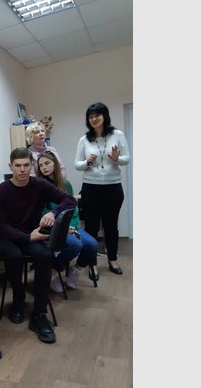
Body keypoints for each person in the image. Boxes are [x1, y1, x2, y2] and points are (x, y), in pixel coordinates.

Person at [0, 147, 77, 344]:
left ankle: (39, 314)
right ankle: (18, 300)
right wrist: (27, 237)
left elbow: (69, 200)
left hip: (32, 234)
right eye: (18, 166)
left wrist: (53, 213)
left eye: (26, 165)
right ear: (10, 166)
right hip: (8, 237)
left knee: (45, 256)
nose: (22, 170)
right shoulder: (0, 191)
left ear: (31, 165)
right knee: (13, 257)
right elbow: (0, 226)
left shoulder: (39, 184)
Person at [74, 102, 130, 280]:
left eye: (97, 115)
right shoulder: (84, 140)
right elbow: (77, 165)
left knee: (111, 226)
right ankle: (92, 263)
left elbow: (127, 158)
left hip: (113, 187)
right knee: (91, 227)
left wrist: (116, 158)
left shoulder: (117, 135)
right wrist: (87, 163)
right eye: (90, 116)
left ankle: (113, 259)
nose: (94, 119)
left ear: (105, 116)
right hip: (90, 188)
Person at [35, 151, 98, 291]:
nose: (44, 167)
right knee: (75, 245)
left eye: (47, 163)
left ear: (55, 164)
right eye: (41, 165)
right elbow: (42, 213)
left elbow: (72, 209)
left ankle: (75, 270)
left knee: (92, 245)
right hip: (53, 227)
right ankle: (52, 272)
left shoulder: (66, 184)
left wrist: (71, 227)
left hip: (70, 226)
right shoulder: (39, 186)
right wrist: (63, 227)